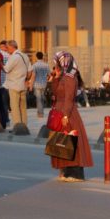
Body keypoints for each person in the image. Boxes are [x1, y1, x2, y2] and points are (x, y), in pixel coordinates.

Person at [48, 51, 93, 182]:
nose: (56, 65)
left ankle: (74, 173)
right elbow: (55, 94)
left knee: (70, 140)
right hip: (59, 110)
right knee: (61, 141)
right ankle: (65, 171)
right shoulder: (63, 76)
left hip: (67, 112)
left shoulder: (70, 77)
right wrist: (55, 78)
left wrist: (66, 115)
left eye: (58, 62)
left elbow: (69, 98)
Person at [4, 40, 31, 127]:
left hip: (14, 85)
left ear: (12, 47)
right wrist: (26, 79)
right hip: (23, 85)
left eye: (7, 47)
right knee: (23, 107)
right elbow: (30, 71)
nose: (6, 49)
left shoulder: (14, 57)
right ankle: (24, 126)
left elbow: (6, 69)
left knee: (15, 107)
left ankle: (17, 126)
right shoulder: (25, 56)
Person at [31, 51, 50, 118]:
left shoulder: (35, 65)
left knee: (38, 99)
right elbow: (49, 75)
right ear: (42, 57)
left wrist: (31, 85)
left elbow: (33, 76)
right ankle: (41, 111)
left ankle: (40, 113)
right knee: (41, 98)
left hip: (37, 84)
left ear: (36, 57)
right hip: (44, 83)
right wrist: (46, 79)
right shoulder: (46, 65)